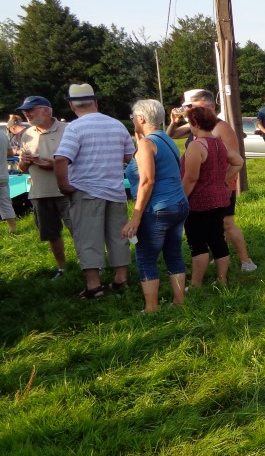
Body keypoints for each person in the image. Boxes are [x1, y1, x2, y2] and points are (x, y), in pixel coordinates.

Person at [53, 83, 135, 299]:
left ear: (72, 105)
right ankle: (121, 279)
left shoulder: (75, 128)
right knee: (119, 237)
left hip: (86, 192)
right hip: (116, 191)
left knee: (88, 239)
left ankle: (94, 286)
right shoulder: (117, 125)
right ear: (96, 102)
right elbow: (131, 157)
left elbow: (61, 158)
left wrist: (64, 186)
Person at [167, 88, 258, 272]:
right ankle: (219, 258)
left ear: (208, 105)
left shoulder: (220, 126)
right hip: (206, 188)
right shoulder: (198, 125)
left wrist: (226, 183)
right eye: (187, 107)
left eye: (192, 106)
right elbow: (171, 135)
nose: (189, 110)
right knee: (215, 228)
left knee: (227, 223)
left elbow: (235, 158)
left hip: (221, 186)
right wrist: (173, 122)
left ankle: (246, 261)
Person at [122, 99, 189, 314]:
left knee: (146, 258)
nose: (132, 120)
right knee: (174, 255)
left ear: (141, 118)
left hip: (157, 209)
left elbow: (147, 181)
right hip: (178, 205)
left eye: (133, 117)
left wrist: (136, 216)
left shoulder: (146, 144)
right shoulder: (165, 139)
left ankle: (151, 309)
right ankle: (179, 303)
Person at [180, 105, 244, 288]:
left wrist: (181, 199)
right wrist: (226, 179)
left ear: (195, 123)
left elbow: (191, 178)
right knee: (217, 238)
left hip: (198, 202)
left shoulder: (196, 146)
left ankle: (196, 283)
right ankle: (222, 279)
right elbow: (238, 161)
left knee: (197, 242)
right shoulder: (219, 143)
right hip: (220, 199)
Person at [16, 96, 73, 275]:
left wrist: (55, 166)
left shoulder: (68, 130)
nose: (27, 113)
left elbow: (80, 162)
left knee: (79, 230)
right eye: (25, 111)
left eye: (31, 109)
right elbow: (22, 169)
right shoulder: (28, 134)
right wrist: (24, 163)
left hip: (67, 191)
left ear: (46, 110)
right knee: (51, 234)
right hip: (40, 193)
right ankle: (62, 268)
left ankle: (93, 265)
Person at [0, 124, 16, 234]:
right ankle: (12, 229)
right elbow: (10, 152)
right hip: (2, 175)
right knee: (5, 203)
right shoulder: (2, 134)